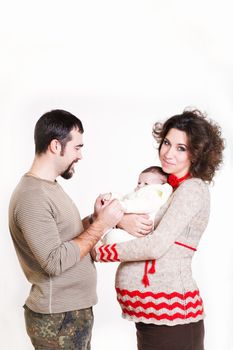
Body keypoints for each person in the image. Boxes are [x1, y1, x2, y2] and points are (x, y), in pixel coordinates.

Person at [93, 109, 224, 350]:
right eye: (166, 143)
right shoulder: (166, 188)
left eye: (180, 148)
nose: (168, 153)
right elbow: (141, 220)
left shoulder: (192, 189)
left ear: (197, 154)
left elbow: (156, 245)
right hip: (154, 318)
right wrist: (121, 221)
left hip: (173, 321)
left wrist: (99, 253)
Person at [8, 109, 125, 350]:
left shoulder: (48, 187)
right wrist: (103, 224)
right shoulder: (32, 197)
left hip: (69, 314)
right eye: (77, 147)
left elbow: (65, 237)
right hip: (58, 318)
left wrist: (94, 219)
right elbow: (54, 261)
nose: (80, 155)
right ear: (55, 146)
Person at [102, 166, 172, 244]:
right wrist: (113, 196)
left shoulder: (155, 193)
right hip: (126, 227)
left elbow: (145, 205)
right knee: (108, 231)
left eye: (146, 183)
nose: (140, 185)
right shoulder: (138, 191)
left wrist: (124, 206)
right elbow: (125, 198)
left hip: (140, 234)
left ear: (160, 185)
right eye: (139, 182)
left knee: (113, 236)